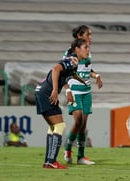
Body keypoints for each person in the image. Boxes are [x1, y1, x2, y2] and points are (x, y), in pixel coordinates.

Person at [35, 38, 89, 169]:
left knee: (54, 127)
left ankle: (49, 161)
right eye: (85, 47)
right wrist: (54, 90)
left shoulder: (73, 62)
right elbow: (56, 69)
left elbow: (70, 75)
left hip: (40, 91)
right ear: (77, 49)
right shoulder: (73, 60)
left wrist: (81, 81)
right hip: (46, 92)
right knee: (59, 125)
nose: (88, 50)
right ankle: (51, 161)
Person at [63, 25, 103, 165]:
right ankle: (67, 149)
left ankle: (80, 156)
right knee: (78, 120)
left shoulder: (87, 52)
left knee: (84, 124)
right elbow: (63, 72)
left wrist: (96, 75)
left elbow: (87, 69)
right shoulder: (70, 53)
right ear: (80, 36)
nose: (90, 37)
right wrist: (67, 90)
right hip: (75, 92)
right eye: (88, 34)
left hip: (86, 92)